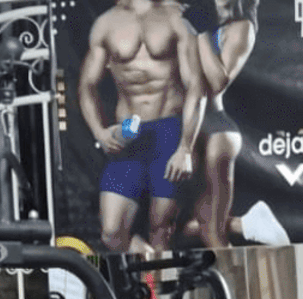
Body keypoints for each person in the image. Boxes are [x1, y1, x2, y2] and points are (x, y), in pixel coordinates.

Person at [78, 0, 208, 253]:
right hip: (129, 134)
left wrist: (185, 147)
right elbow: (86, 86)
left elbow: (196, 86)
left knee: (162, 229)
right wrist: (99, 132)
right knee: (111, 233)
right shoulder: (105, 23)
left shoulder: (174, 19)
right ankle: (151, 267)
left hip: (169, 131)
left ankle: (160, 277)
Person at [181, 0, 256, 251]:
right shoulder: (186, 14)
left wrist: (201, 31)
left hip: (214, 130)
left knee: (213, 234)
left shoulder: (240, 27)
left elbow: (216, 83)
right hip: (179, 131)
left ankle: (241, 230)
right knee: (184, 228)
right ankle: (245, 224)